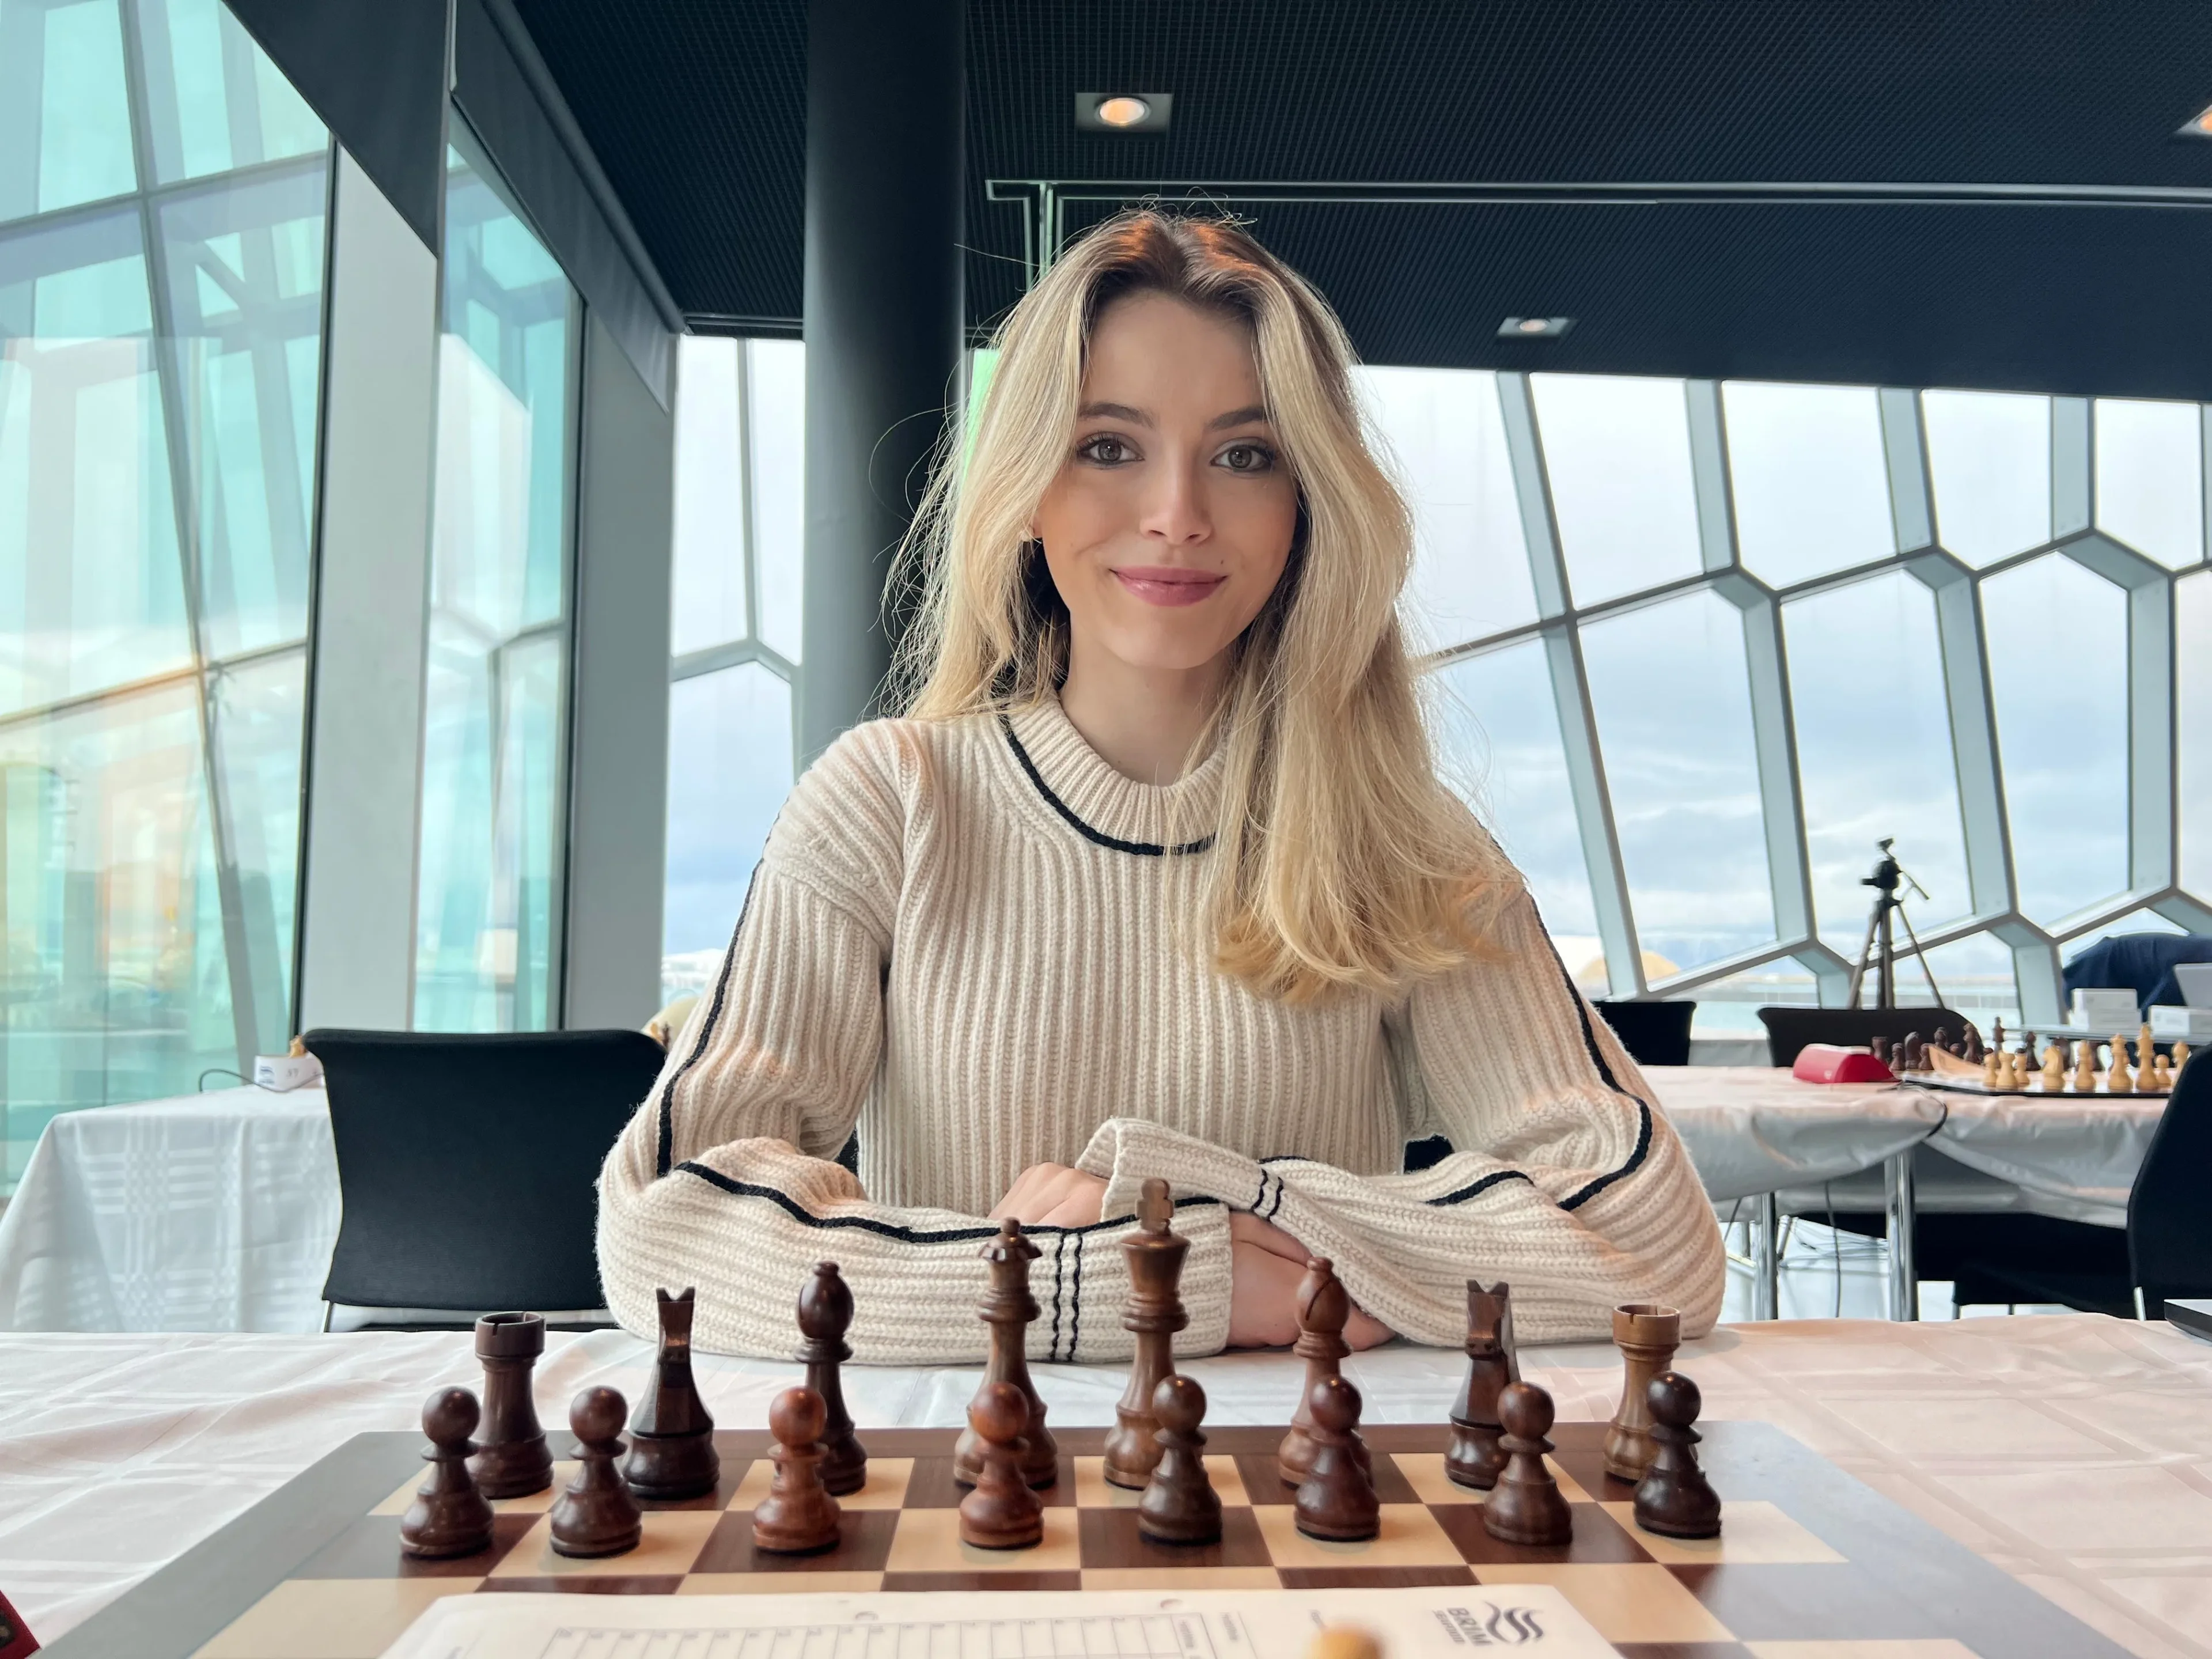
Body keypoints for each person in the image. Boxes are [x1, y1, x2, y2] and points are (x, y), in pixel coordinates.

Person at [597, 211, 1725, 1362]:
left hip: (1321, 1516)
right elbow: (666, 1227)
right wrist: (1147, 1283)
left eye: (1245, 454)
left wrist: (1240, 1219)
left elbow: (1654, 1237)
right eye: (1108, 446)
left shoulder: (1400, 835)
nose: (1178, 514)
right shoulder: (892, 800)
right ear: (1029, 487)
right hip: (973, 1505)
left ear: (1306, 504)